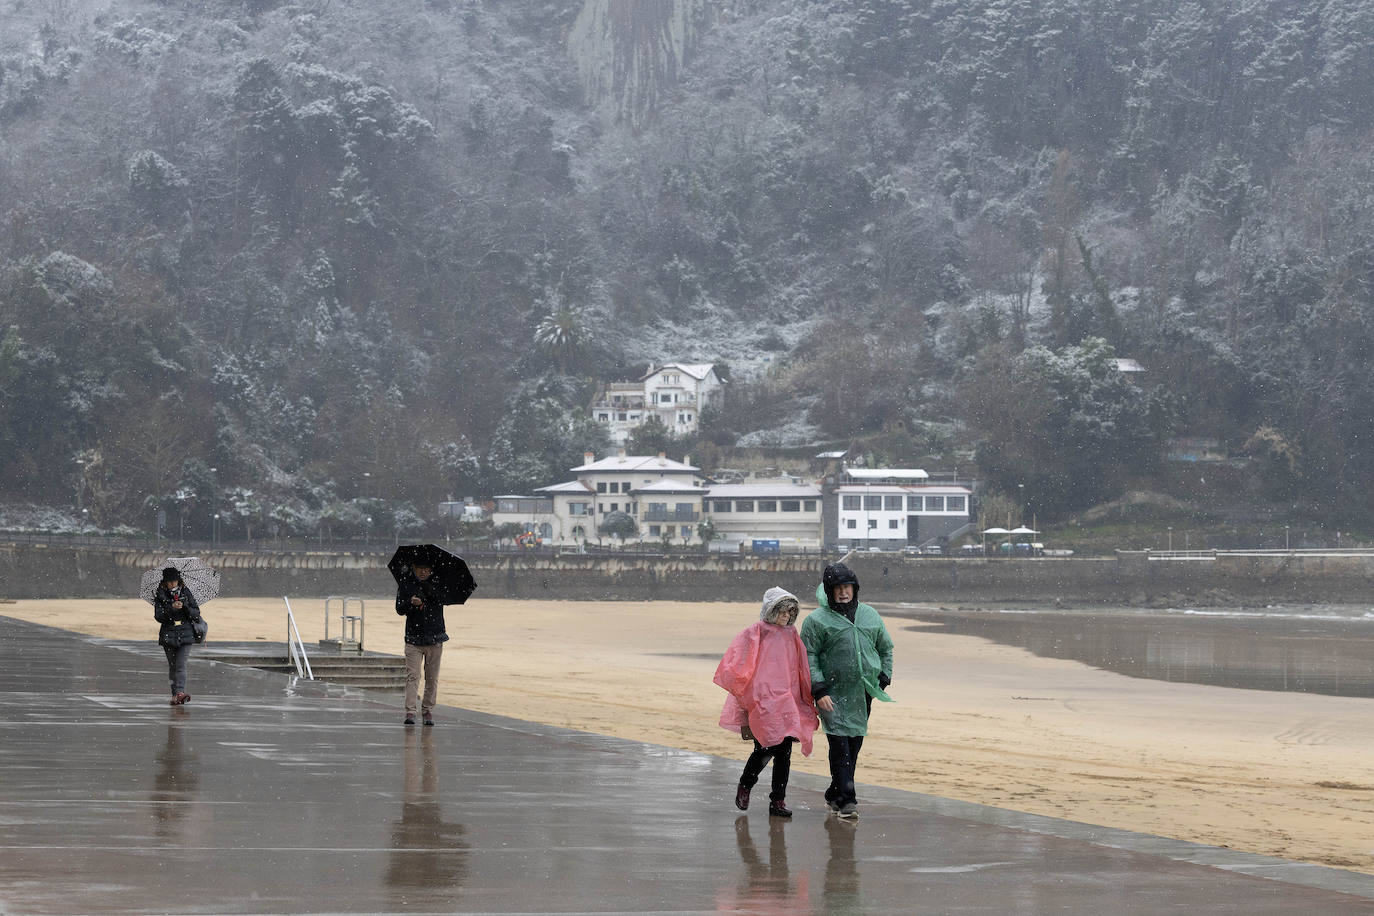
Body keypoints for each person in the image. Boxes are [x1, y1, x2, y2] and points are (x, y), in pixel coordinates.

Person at [714, 586, 819, 818]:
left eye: (790, 612)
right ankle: (746, 784)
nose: (786, 616)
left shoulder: (792, 635)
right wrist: (752, 693)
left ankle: (778, 801)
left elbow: (800, 667)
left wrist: (804, 696)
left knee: (784, 752)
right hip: (764, 700)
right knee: (765, 747)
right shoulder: (756, 632)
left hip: (787, 699)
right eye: (782, 611)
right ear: (772, 610)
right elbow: (739, 661)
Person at [800, 562, 893, 820]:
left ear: (855, 589)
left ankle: (835, 792)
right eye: (838, 588)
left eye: (847, 587)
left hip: (863, 692)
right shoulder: (816, 621)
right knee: (839, 745)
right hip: (831, 693)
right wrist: (818, 690)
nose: (843, 593)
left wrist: (884, 676)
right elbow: (808, 656)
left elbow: (886, 647)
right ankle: (848, 800)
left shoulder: (870, 615)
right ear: (829, 591)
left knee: (853, 745)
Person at [396, 563, 449, 726]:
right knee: (413, 676)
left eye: (427, 568)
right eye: (420, 568)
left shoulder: (438, 584)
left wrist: (429, 592)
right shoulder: (406, 584)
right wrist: (411, 603)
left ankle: (427, 710)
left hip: (435, 638)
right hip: (413, 639)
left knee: (432, 678)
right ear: (413, 567)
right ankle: (410, 711)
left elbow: (444, 599)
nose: (424, 571)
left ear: (432, 569)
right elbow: (399, 609)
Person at [153, 567, 202, 706]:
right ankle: (175, 694)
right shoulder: (160, 596)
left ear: (179, 581)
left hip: (186, 633)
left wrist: (185, 606)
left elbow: (196, 613)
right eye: (169, 582)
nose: (172, 584)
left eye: (174, 581)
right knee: (173, 666)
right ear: (164, 583)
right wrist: (171, 607)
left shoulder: (186, 593)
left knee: (181, 665)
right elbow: (158, 616)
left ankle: (180, 692)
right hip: (168, 634)